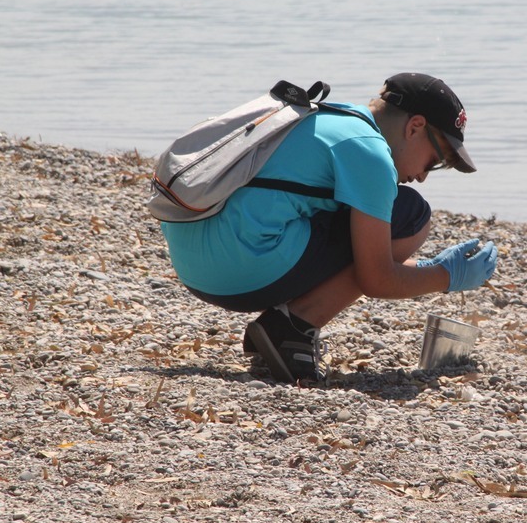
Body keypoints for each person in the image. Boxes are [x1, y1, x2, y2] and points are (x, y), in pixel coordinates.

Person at [159, 72, 499, 384]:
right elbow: (376, 278)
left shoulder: (328, 116)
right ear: (415, 126)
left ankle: (285, 322)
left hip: (192, 261)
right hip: (237, 271)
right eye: (435, 160)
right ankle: (292, 327)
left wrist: (423, 268)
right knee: (410, 214)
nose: (424, 175)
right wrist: (446, 275)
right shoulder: (370, 153)